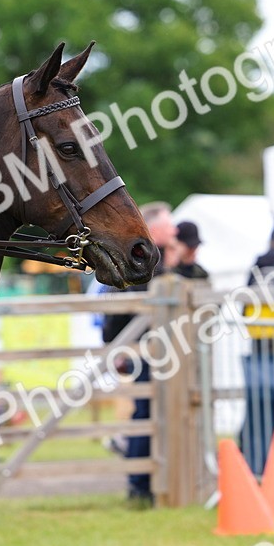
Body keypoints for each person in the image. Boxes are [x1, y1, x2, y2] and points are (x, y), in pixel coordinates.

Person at [101, 201, 177, 508]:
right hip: (145, 351)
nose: (173, 230)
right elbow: (118, 312)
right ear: (155, 227)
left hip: (164, 351)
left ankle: (151, 483)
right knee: (145, 413)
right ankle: (138, 483)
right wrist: (120, 348)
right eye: (169, 224)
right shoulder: (140, 260)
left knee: (158, 414)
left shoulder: (163, 261)